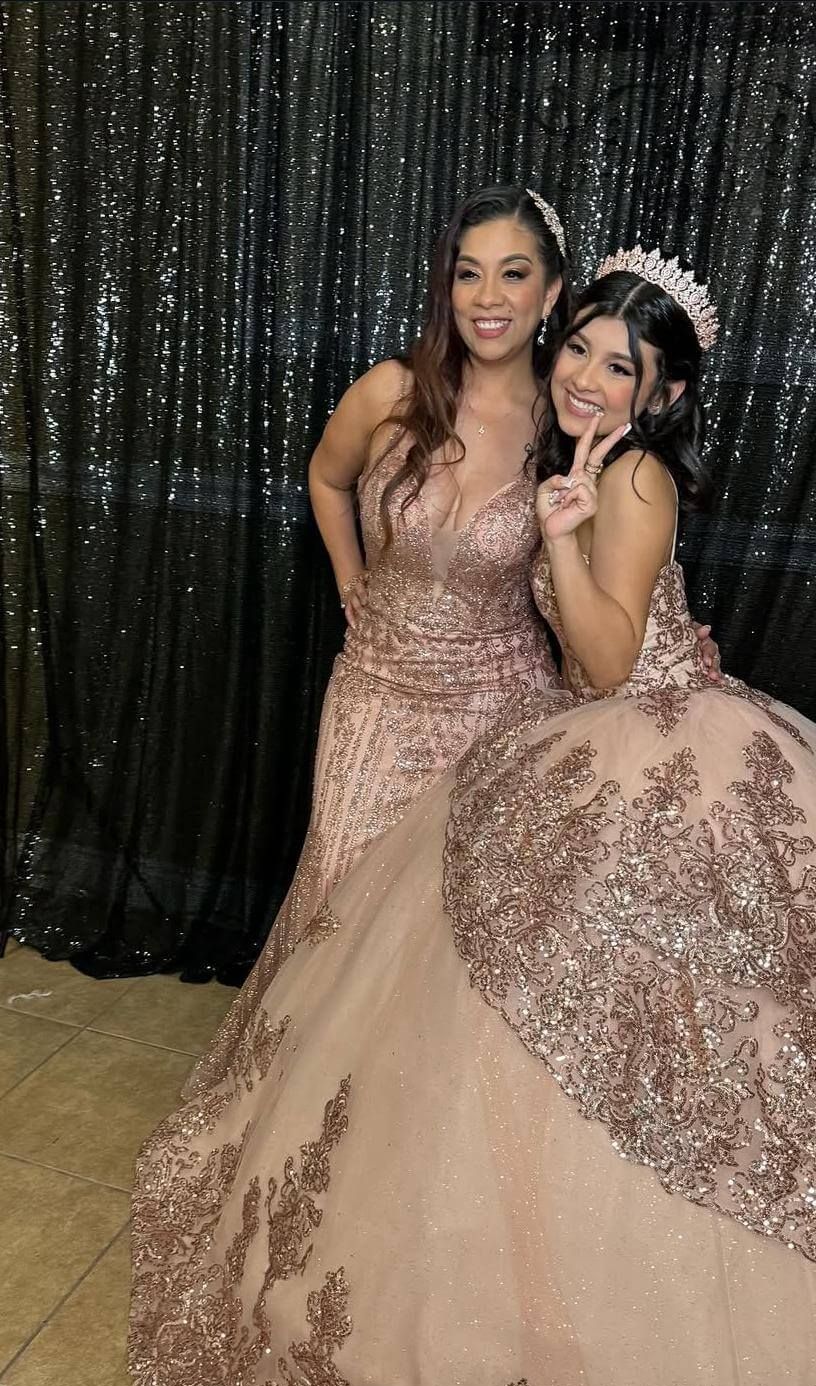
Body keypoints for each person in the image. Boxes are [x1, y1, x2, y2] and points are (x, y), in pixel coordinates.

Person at [130, 252, 816, 1386]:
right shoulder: (584, 455)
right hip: (602, 739)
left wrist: (565, 539)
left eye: (618, 364)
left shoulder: (631, 475)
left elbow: (606, 662)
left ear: (666, 393)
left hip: (656, 753)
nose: (585, 374)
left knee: (647, 1039)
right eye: (578, 345)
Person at [188, 187, 721, 1097]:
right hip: (376, 693)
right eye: (468, 273)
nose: (488, 297)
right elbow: (325, 477)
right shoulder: (394, 391)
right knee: (340, 902)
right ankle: (308, 1111)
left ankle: (394, 1121)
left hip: (497, 707)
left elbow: (610, 586)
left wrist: (666, 641)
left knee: (446, 939)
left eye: (514, 274)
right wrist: (351, 578)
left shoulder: (571, 423)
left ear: (551, 292)